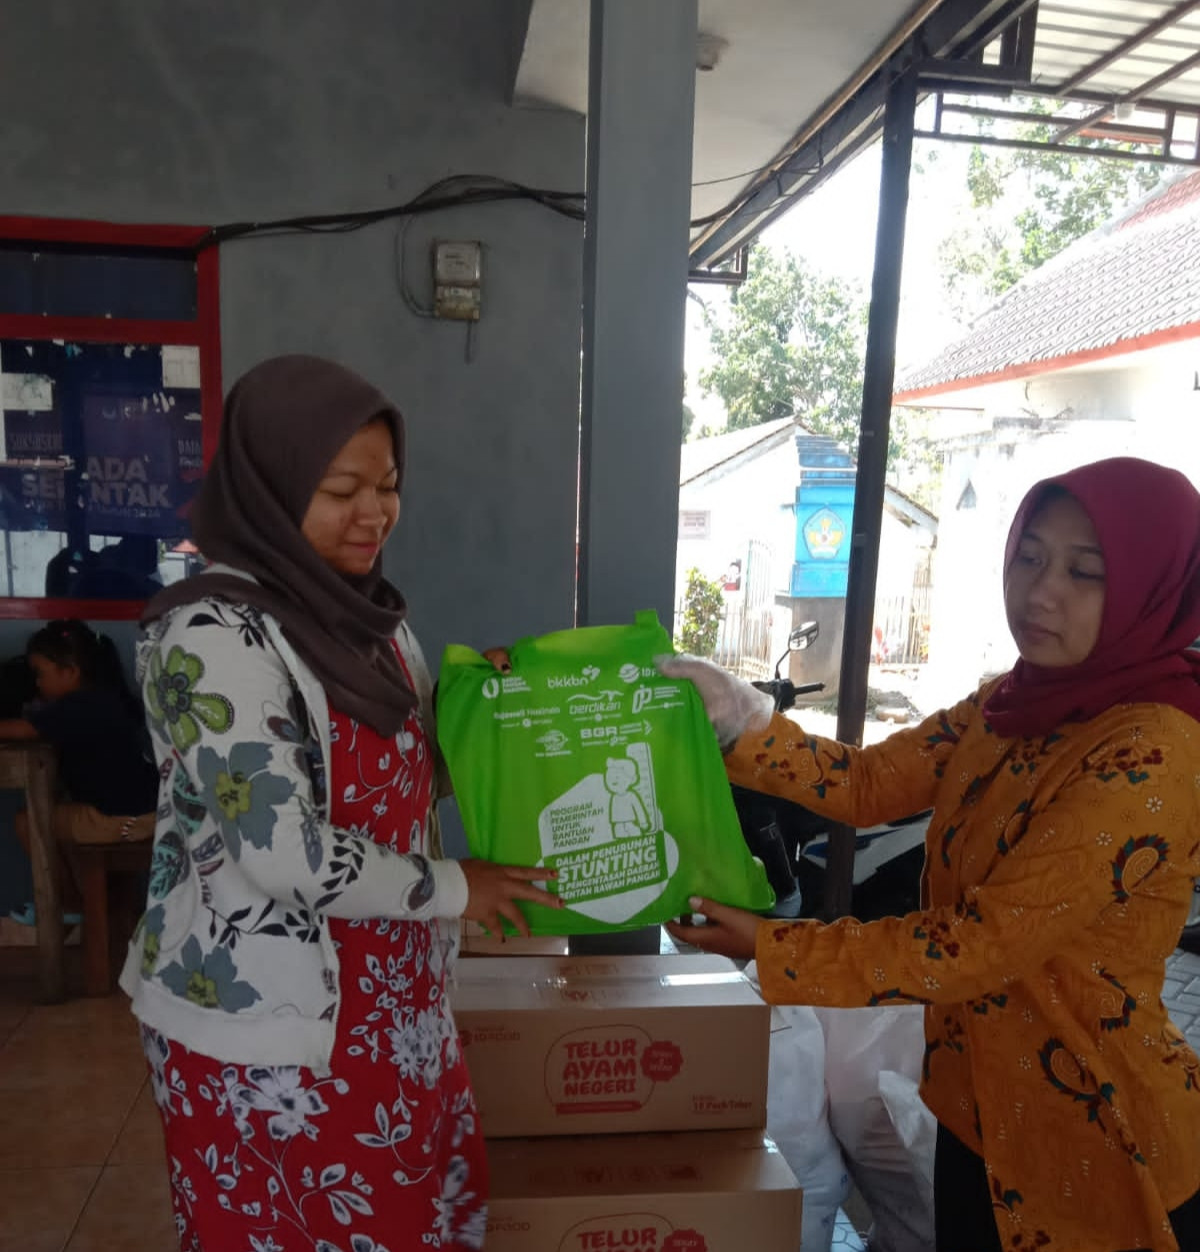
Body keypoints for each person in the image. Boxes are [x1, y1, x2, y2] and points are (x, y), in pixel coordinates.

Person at [662, 457, 1200, 1252]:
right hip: (973, 1107)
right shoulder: (1011, 702)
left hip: (1095, 1133)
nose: (1041, 590)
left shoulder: (1152, 749)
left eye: (1085, 571)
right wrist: (742, 719)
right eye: (1029, 556)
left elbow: (979, 946)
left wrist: (771, 945)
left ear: (1155, 588)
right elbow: (874, 780)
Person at [121, 354, 561, 1251]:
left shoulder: (375, 621)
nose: (375, 514)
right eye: (340, 489)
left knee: (406, 1221)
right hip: (267, 1034)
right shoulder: (207, 636)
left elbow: (402, 779)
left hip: (396, 1008)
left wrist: (488, 714)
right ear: (273, 488)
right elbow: (280, 851)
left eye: (389, 486)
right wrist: (456, 887)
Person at [3, 619, 158, 919]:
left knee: (27, 822)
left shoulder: (78, 706)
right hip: (145, 813)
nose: (37, 683)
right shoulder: (106, 699)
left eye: (40, 674)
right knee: (63, 814)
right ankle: (94, 906)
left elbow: (23, 730)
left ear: (70, 671)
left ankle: (72, 906)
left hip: (120, 821)